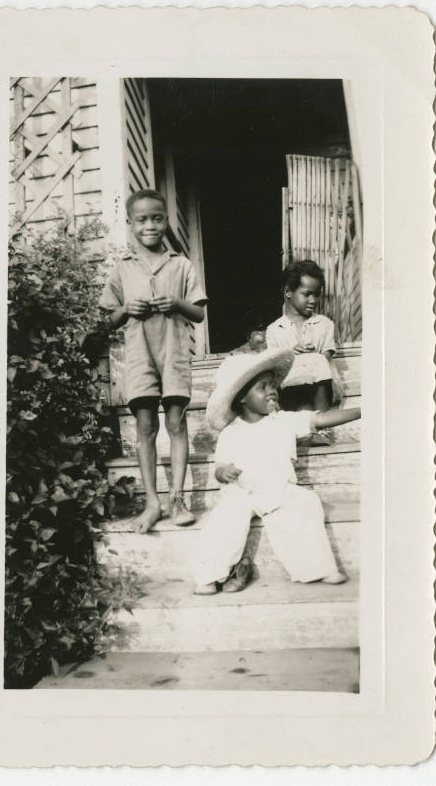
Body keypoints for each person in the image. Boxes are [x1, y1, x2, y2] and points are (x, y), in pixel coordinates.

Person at [191, 349, 360, 595]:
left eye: (273, 385)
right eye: (263, 387)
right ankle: (207, 575)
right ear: (242, 399)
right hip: (241, 492)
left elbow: (321, 419)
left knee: (305, 502)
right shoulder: (231, 432)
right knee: (225, 521)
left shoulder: (284, 421)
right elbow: (219, 467)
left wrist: (361, 411)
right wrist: (223, 472)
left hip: (278, 489)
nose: (272, 391)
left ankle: (318, 567)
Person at [99, 189, 207, 532]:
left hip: (173, 355)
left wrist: (176, 303)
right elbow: (107, 319)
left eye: (157, 218)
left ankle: (177, 498)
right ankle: (152, 502)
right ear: (131, 225)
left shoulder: (181, 265)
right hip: (139, 357)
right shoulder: (122, 269)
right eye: (142, 219)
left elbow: (199, 313)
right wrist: (124, 310)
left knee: (176, 424)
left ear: (166, 220)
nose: (151, 225)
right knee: (145, 428)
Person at [265, 260, 344, 418]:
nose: (313, 300)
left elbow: (326, 356)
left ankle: (322, 426)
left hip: (321, 390)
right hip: (291, 391)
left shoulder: (324, 324)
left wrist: (314, 356)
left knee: (318, 361)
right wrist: (289, 354)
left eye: (316, 294)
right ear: (288, 292)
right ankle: (300, 425)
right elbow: (275, 366)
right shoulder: (274, 330)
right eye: (306, 294)